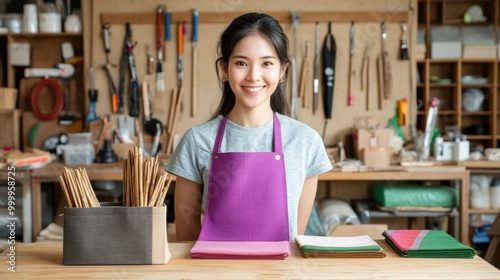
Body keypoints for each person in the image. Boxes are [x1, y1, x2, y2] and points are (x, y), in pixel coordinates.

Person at [166, 12, 332, 242]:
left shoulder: (305, 141)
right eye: (241, 63)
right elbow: (186, 236)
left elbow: (296, 236)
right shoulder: (196, 141)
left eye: (266, 63)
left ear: (282, 70)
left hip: (280, 276)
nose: (254, 76)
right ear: (224, 68)